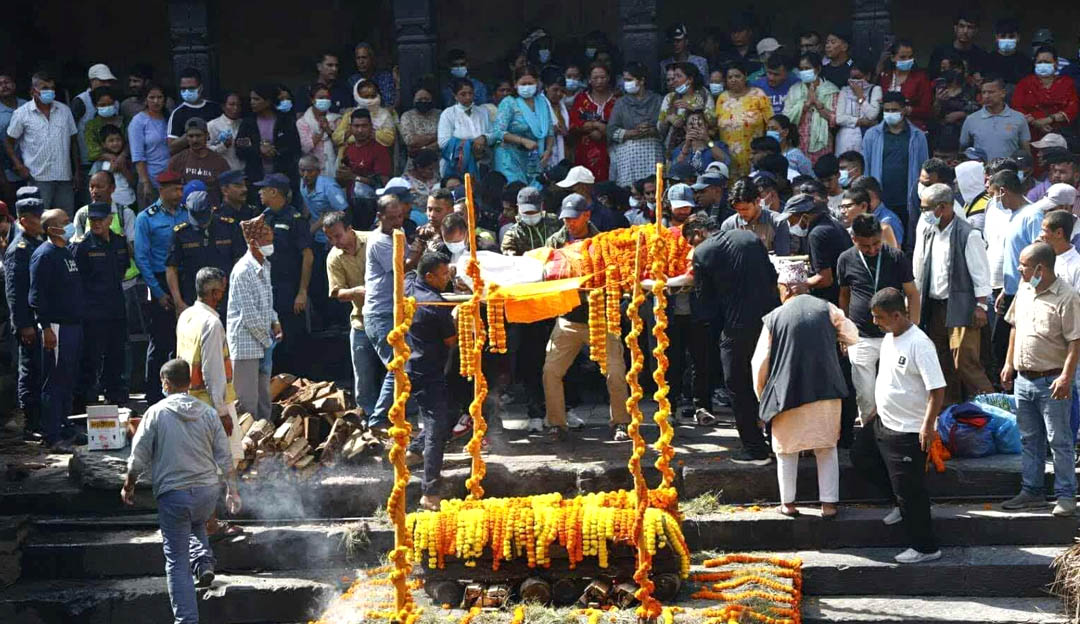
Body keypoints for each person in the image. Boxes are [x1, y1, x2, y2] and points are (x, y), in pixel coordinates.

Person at [122, 357, 240, 624]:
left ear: (165, 382)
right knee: (195, 520)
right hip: (207, 494)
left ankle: (186, 620)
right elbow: (225, 457)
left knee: (176, 562)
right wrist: (232, 491)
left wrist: (129, 485)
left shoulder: (155, 413)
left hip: (174, 495)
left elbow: (138, 457)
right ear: (189, 382)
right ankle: (204, 563)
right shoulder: (208, 413)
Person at [753, 259, 857, 517]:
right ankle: (829, 505)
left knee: (786, 450)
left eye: (780, 288)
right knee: (826, 448)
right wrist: (837, 339)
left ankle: (788, 504)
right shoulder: (827, 308)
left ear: (788, 288)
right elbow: (853, 334)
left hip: (786, 393)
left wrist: (762, 395)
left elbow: (760, 362)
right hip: (826, 390)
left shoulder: (774, 317)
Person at [852, 287, 945, 564]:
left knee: (911, 491)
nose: (875, 322)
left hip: (909, 430)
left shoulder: (920, 344)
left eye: (879, 317)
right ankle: (896, 502)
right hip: (883, 421)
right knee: (860, 457)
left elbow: (937, 389)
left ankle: (925, 547)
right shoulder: (889, 337)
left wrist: (928, 426)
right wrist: (875, 411)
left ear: (897, 315)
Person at [538, 194, 630, 441]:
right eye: (565, 219)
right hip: (567, 319)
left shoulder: (604, 242)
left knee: (616, 373)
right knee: (550, 371)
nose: (569, 223)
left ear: (587, 215)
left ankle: (621, 422)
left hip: (601, 319)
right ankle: (557, 425)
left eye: (573, 218)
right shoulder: (554, 242)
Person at [1000, 242, 1080, 516]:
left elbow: (1075, 341)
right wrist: (1009, 363)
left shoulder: (1067, 297)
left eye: (1024, 265)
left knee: (1059, 441)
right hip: (1023, 380)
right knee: (1029, 439)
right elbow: (1014, 328)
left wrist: (1066, 377)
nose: (1019, 269)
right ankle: (1031, 491)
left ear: (1040, 269)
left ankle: (1066, 496)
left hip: (1052, 381)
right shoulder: (1024, 290)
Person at [694, 224, 779, 464]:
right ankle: (779, 442)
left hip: (736, 328)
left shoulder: (702, 252)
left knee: (739, 386)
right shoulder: (749, 237)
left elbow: (705, 307)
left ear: (698, 234)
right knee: (772, 381)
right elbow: (772, 276)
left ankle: (754, 448)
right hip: (771, 322)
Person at [913, 183, 994, 405]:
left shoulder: (968, 234)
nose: (923, 213)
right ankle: (949, 413)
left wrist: (981, 306)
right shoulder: (929, 231)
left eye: (926, 208)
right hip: (935, 308)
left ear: (943, 207)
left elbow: (981, 274)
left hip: (962, 307)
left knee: (965, 363)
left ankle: (994, 411)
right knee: (941, 363)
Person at [838, 214, 920, 422]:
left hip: (894, 335)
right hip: (860, 336)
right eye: (866, 246)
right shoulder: (845, 259)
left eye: (876, 243)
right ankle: (870, 431)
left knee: (896, 389)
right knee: (865, 393)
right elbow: (844, 296)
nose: (873, 249)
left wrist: (913, 329)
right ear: (854, 239)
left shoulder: (896, 257)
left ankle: (893, 429)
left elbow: (912, 293)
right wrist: (843, 332)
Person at [402, 252, 457, 511]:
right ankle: (430, 491)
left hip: (410, 365)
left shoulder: (408, 283)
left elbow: (407, 274)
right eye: (444, 275)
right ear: (429, 276)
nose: (448, 278)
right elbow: (451, 341)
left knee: (447, 410)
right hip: (429, 371)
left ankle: (413, 451)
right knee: (437, 426)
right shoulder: (436, 305)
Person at [28, 209, 85, 451]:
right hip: (57, 327)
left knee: (68, 379)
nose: (70, 225)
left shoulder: (65, 252)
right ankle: (52, 435)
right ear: (52, 229)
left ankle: (64, 425)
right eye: (65, 222)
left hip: (73, 325)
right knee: (55, 381)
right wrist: (46, 328)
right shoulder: (44, 255)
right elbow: (36, 296)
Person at [135, 172, 189, 405]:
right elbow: (141, 258)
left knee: (185, 341)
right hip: (159, 280)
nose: (179, 194)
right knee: (160, 341)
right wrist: (157, 292)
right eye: (174, 190)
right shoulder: (146, 218)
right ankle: (154, 396)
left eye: (181, 189)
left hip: (185, 280)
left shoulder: (187, 213)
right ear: (161, 190)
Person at [176, 266, 241, 459]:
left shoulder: (186, 316)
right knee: (225, 461)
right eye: (222, 291)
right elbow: (213, 371)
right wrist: (222, 412)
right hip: (210, 406)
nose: (223, 295)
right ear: (214, 293)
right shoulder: (212, 324)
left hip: (190, 402)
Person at [70, 201, 129, 408]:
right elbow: (76, 280)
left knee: (116, 354)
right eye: (92, 220)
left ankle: (115, 395)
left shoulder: (119, 242)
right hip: (93, 312)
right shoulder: (82, 246)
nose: (96, 223)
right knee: (91, 357)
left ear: (109, 220)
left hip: (116, 309)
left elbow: (123, 269)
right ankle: (84, 399)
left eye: (100, 220)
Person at [254, 173, 312, 374]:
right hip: (267, 289)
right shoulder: (263, 217)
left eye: (263, 189)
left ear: (274, 192)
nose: (259, 192)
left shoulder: (295, 219)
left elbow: (307, 256)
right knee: (270, 340)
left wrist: (302, 291)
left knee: (291, 339)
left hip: (289, 289)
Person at [322, 211, 376, 417]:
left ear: (349, 229)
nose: (335, 242)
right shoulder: (333, 258)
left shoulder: (373, 241)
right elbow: (337, 292)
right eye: (330, 238)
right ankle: (367, 416)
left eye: (338, 236)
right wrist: (357, 291)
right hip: (361, 319)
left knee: (396, 368)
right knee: (362, 373)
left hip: (388, 316)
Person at [228, 215, 280, 423]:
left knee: (264, 398)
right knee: (247, 402)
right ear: (252, 243)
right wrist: (268, 341)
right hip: (246, 344)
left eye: (270, 238)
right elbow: (249, 315)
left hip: (264, 340)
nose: (270, 242)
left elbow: (267, 302)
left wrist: (275, 322)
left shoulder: (265, 265)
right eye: (266, 239)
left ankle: (265, 435)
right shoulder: (243, 271)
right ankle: (245, 440)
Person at [5, 71, 80, 214]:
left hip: (64, 176)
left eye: (52, 88)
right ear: (33, 91)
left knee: (65, 219)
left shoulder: (64, 111)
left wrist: (77, 172)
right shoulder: (22, 113)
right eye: (45, 88)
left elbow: (73, 142)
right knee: (38, 219)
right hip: (37, 177)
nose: (49, 92)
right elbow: (8, 141)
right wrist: (19, 165)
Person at [363, 195, 407, 430]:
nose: (398, 222)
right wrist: (419, 251)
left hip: (396, 310)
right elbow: (402, 269)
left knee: (403, 364)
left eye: (400, 216)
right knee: (397, 365)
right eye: (392, 218)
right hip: (380, 313)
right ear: (379, 217)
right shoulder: (379, 241)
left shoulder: (398, 233)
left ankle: (398, 416)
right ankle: (379, 419)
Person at [5, 198, 46, 440]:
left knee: (40, 371)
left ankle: (41, 420)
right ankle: (31, 423)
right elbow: (15, 292)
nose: (41, 220)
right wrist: (23, 325)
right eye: (37, 217)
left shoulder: (35, 243)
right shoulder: (18, 249)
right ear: (24, 220)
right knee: (30, 372)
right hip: (28, 322)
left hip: (40, 319)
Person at [165, 189, 243, 317]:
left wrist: (240, 294)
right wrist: (178, 302)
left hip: (226, 296)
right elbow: (171, 268)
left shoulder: (228, 227)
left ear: (211, 209)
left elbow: (239, 261)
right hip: (194, 299)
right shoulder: (181, 233)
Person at [862, 93, 928, 235]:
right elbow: (866, 167)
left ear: (904, 110)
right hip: (881, 200)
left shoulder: (918, 136)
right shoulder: (872, 135)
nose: (890, 113)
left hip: (907, 199)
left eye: (894, 110)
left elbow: (923, 168)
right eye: (887, 110)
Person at [783, 194, 851, 305]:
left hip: (833, 298)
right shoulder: (832, 223)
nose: (791, 225)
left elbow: (825, 279)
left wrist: (798, 284)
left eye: (792, 221)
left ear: (805, 217)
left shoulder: (816, 235)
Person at [492, 65, 554, 186]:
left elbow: (550, 131)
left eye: (530, 83)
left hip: (534, 158)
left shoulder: (542, 102)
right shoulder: (509, 102)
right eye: (523, 84)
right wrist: (523, 141)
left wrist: (548, 151)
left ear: (537, 83)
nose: (527, 87)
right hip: (510, 158)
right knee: (516, 190)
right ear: (515, 84)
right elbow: (498, 131)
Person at [236, 85, 301, 195]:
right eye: (251, 99)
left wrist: (276, 151)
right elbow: (240, 146)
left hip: (282, 177)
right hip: (256, 178)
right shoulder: (248, 122)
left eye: (256, 99)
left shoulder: (285, 121)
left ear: (268, 101)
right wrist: (258, 149)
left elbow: (295, 147)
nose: (252, 102)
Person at [608, 61, 664, 188]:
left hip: (652, 153)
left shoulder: (657, 100)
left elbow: (665, 128)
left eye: (629, 80)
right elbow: (611, 130)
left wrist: (652, 129)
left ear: (642, 80)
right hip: (628, 156)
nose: (626, 83)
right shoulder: (621, 103)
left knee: (653, 189)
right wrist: (631, 133)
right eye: (625, 80)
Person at [1012, 46, 1080, 143]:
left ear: (1056, 64)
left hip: (1061, 134)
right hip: (1031, 133)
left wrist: (1049, 119)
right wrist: (1035, 122)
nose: (1043, 65)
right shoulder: (1025, 83)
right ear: (1035, 64)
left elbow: (1073, 107)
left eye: (1047, 62)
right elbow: (1016, 106)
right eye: (1040, 62)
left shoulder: (1067, 82)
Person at [715, 62, 772, 178]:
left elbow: (771, 122)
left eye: (737, 76)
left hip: (754, 154)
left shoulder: (758, 95)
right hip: (728, 156)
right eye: (730, 77)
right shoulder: (722, 98)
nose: (733, 80)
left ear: (745, 76)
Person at [783, 52, 839, 165]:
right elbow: (786, 117)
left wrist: (817, 103)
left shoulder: (830, 90)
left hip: (822, 143)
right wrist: (806, 104)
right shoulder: (794, 90)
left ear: (818, 69)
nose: (804, 72)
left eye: (807, 68)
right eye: (801, 69)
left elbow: (835, 119)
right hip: (798, 142)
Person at [959, 75, 1031, 162]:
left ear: (1003, 93)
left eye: (991, 92)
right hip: (981, 169)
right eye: (983, 92)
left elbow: (1025, 150)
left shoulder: (1018, 118)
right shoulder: (971, 119)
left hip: (1009, 169)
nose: (986, 96)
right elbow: (963, 149)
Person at [570, 62, 618, 182]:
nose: (599, 81)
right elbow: (573, 124)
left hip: (612, 151)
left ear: (608, 78)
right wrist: (595, 125)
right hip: (585, 153)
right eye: (595, 78)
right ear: (589, 80)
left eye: (602, 77)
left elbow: (622, 125)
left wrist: (605, 131)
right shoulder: (581, 99)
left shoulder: (617, 99)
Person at [167, 118, 231, 206]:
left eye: (198, 136)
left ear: (207, 135)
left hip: (211, 209)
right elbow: (169, 190)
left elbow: (227, 192)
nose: (195, 140)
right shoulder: (177, 160)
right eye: (191, 136)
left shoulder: (220, 162)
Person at [720, 175, 790, 254]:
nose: (741, 213)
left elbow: (782, 255)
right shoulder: (729, 226)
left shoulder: (777, 222)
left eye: (745, 209)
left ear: (757, 201)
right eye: (738, 210)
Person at [438, 79, 492, 179]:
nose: (468, 97)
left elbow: (492, 134)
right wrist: (470, 144)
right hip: (457, 165)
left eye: (470, 93)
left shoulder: (483, 111)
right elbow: (443, 143)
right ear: (455, 96)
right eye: (463, 94)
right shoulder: (448, 114)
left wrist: (484, 138)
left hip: (483, 163)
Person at [658, 62, 715, 157]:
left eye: (678, 76)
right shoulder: (670, 98)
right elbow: (659, 131)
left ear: (690, 79)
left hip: (701, 147)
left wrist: (692, 108)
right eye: (674, 77)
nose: (674, 80)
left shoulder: (704, 94)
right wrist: (668, 119)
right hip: (675, 149)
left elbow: (712, 122)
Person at [129, 83, 171, 208]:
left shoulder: (169, 118)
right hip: (150, 180)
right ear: (145, 100)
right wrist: (145, 182)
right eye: (152, 97)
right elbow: (138, 155)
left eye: (159, 97)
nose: (156, 101)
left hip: (170, 180)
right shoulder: (138, 121)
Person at [555, 165, 628, 232]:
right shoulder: (562, 211)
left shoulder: (604, 215)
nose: (569, 194)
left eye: (571, 189)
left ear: (584, 187)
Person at [879, 40, 933, 131]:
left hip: (913, 127)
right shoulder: (885, 77)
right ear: (892, 58)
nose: (907, 60)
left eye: (910, 57)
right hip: (886, 126)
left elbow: (927, 109)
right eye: (903, 57)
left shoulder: (921, 78)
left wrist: (908, 110)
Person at [339, 108, 392, 198]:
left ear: (371, 127)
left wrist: (354, 177)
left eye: (364, 126)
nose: (360, 130)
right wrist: (341, 176)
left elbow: (383, 182)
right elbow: (344, 181)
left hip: (372, 201)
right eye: (356, 126)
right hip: (351, 200)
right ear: (350, 128)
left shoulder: (379, 150)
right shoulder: (348, 149)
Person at [167, 68, 221, 155]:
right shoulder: (177, 113)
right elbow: (171, 148)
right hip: (190, 161)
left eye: (191, 88)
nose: (187, 92)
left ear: (201, 88)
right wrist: (191, 134)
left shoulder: (215, 108)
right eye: (183, 88)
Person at [834, 58, 882, 156]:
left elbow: (872, 115)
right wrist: (861, 121)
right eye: (853, 78)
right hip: (845, 139)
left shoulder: (875, 90)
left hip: (866, 137)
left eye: (858, 77)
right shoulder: (844, 91)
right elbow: (839, 119)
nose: (855, 82)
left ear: (868, 76)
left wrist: (860, 96)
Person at [929, 10, 991, 81]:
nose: (965, 31)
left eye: (970, 27)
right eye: (962, 26)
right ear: (955, 28)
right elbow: (931, 78)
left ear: (976, 31)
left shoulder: (982, 56)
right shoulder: (940, 52)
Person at [295, 84, 341, 178]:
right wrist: (321, 132)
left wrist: (328, 129)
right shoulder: (303, 122)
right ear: (312, 100)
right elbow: (305, 147)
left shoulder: (336, 119)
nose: (324, 100)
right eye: (321, 98)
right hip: (312, 169)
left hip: (333, 165)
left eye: (327, 97)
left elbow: (340, 143)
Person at [501, 186, 561, 255]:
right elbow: (508, 254)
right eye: (526, 212)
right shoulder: (513, 234)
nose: (530, 215)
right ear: (518, 208)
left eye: (534, 211)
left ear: (542, 206)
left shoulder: (555, 222)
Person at [931, 60, 979, 142]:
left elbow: (978, 111)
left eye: (958, 69)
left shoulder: (970, 89)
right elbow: (932, 115)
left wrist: (961, 114)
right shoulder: (939, 87)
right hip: (941, 133)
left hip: (964, 131)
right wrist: (938, 101)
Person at [671, 110, 726, 176]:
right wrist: (686, 147)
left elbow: (725, 162)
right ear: (685, 129)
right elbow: (675, 171)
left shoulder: (719, 145)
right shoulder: (679, 150)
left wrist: (707, 140)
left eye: (699, 124)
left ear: (706, 126)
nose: (696, 127)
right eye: (691, 125)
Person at [83, 86, 126, 166]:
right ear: (95, 105)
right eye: (102, 105)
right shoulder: (91, 126)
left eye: (110, 104)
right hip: (100, 165)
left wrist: (122, 156)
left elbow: (131, 144)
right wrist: (109, 157)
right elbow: (92, 151)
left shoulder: (124, 122)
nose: (107, 107)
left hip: (125, 163)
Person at [348, 42, 397, 108]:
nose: (361, 62)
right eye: (358, 58)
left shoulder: (384, 77)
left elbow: (389, 103)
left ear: (372, 58)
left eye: (364, 58)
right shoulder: (352, 80)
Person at [1041, 209, 1080, 290]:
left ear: (1059, 233)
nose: (1041, 235)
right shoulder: (1042, 258)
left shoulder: (1077, 266)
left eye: (1044, 231)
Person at [986, 18, 1031, 88]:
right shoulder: (987, 60)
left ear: (1018, 38)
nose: (1007, 39)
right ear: (996, 37)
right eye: (1003, 36)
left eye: (1011, 36)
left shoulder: (1025, 62)